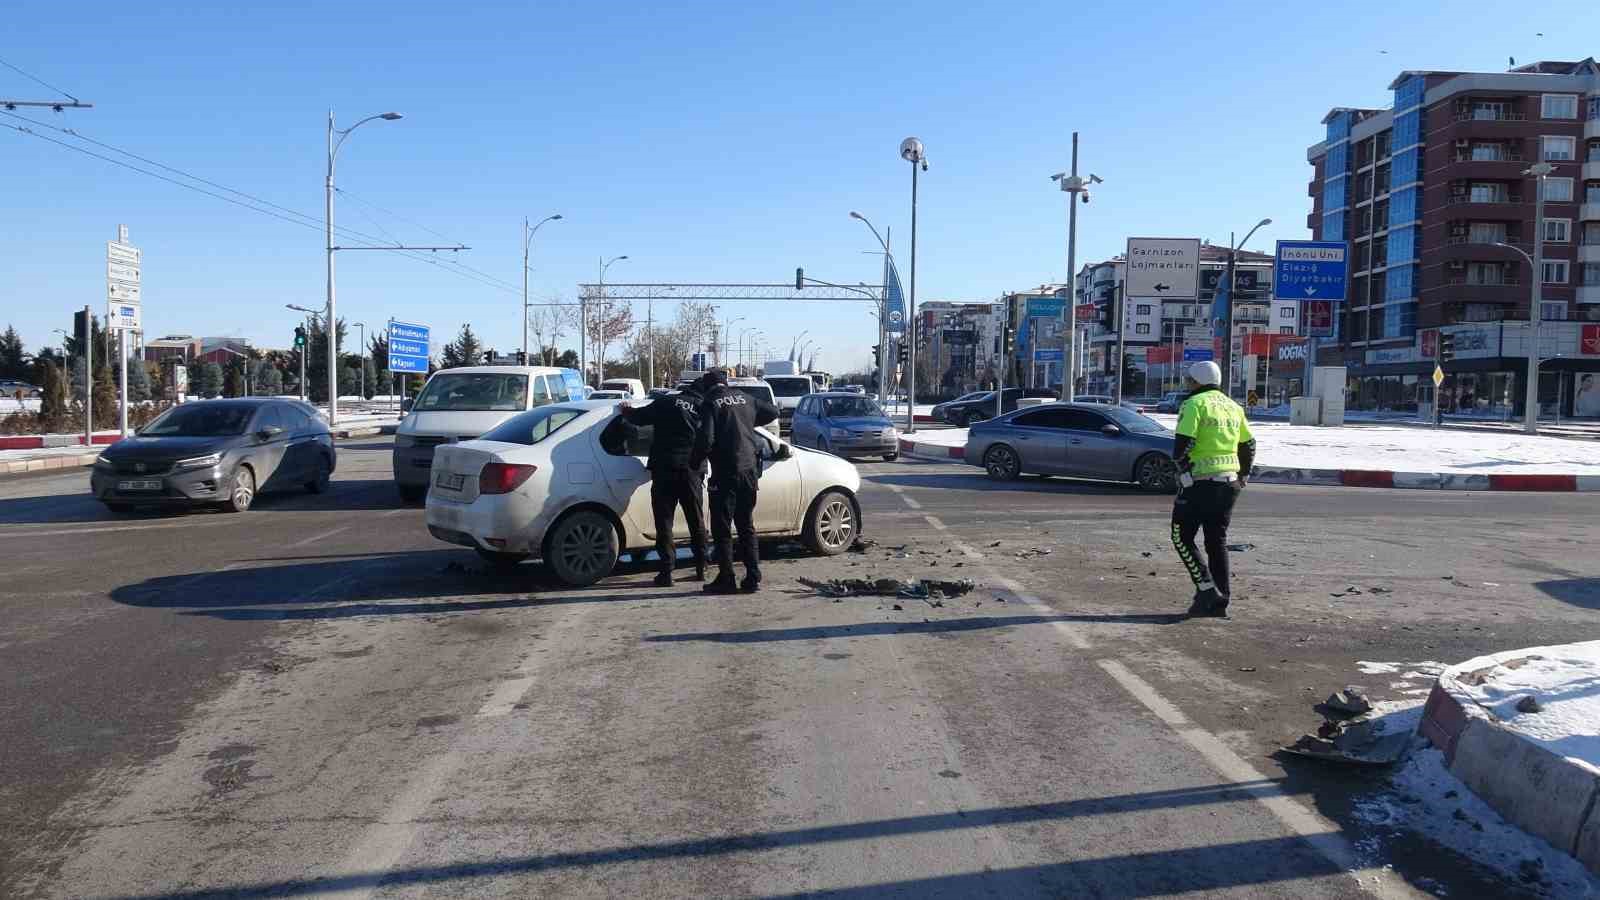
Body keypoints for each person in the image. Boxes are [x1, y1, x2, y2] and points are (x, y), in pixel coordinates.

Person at [1170, 360, 1256, 618]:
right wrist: (1243, 476)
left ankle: (1207, 589)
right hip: (1229, 483)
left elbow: (1184, 444)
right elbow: (1249, 444)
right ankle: (1220, 601)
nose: (1188, 384)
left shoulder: (1193, 404)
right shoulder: (1233, 406)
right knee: (1216, 541)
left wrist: (1183, 471)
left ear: (1195, 382)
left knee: (1181, 536)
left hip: (1199, 482)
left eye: (1189, 380)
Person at [616, 384, 712, 586]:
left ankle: (666, 572)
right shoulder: (703, 406)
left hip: (665, 469)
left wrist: (626, 409)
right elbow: (710, 437)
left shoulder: (664, 402)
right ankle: (702, 566)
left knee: (664, 522)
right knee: (696, 520)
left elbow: (638, 418)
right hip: (691, 471)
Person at [697, 368, 779, 594]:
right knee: (746, 525)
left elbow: (706, 439)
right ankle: (753, 577)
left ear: (708, 386)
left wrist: (696, 461)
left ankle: (727, 578)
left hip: (725, 472)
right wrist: (748, 420)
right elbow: (772, 411)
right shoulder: (746, 397)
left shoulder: (710, 402)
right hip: (750, 471)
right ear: (725, 382)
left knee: (722, 528)